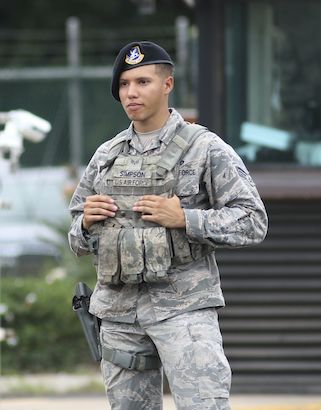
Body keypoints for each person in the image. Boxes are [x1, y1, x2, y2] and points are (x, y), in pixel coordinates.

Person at [67, 41, 268, 410]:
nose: (131, 92)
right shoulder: (106, 156)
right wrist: (86, 224)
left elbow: (253, 221)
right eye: (124, 84)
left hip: (184, 309)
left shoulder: (205, 148)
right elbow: (76, 236)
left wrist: (186, 219)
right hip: (118, 314)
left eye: (142, 81)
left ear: (167, 84)